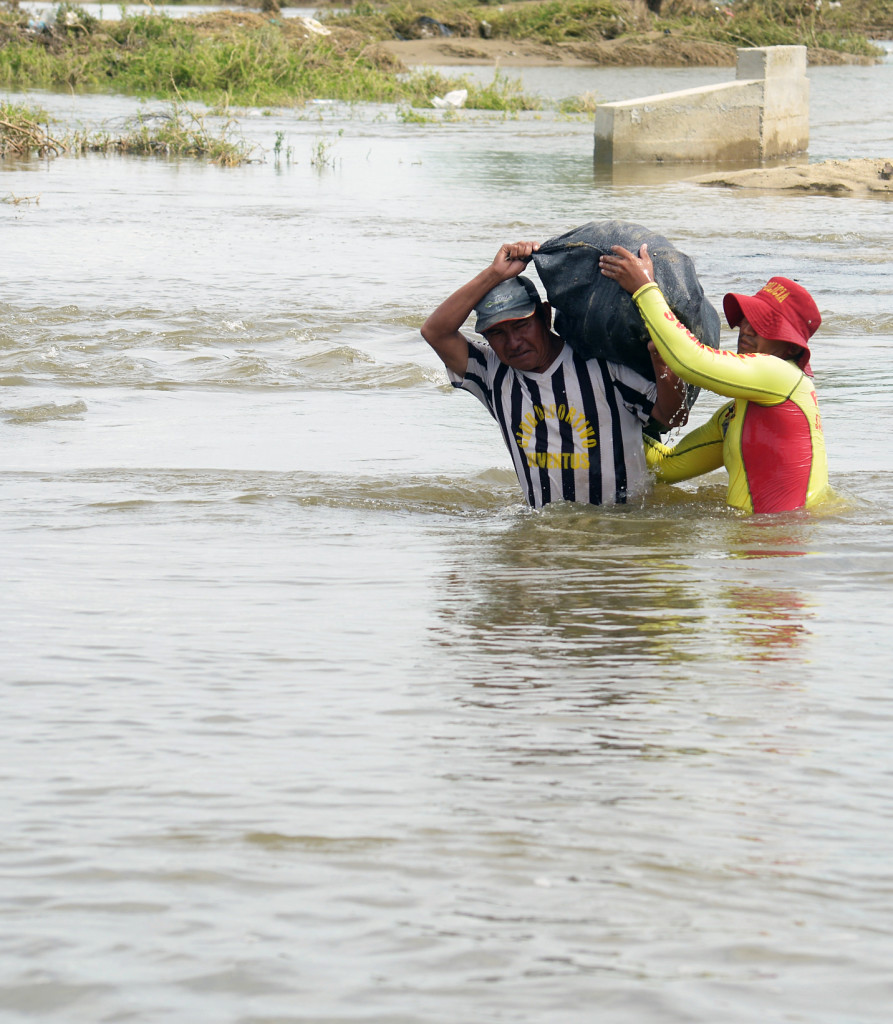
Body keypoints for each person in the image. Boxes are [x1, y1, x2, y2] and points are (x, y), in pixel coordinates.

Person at [420, 240, 687, 509]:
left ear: (545, 316)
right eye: (497, 333)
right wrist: (495, 273)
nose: (513, 343)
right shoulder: (493, 373)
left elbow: (673, 416)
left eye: (521, 325)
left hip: (621, 530)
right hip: (542, 539)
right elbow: (435, 332)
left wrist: (660, 356)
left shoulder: (600, 362)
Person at [598, 244, 829, 514]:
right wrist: (601, 415)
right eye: (747, 317)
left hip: (783, 544)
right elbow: (668, 465)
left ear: (791, 348)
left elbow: (691, 360)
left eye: (764, 324)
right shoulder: (733, 416)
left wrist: (644, 287)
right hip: (760, 542)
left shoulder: (782, 376)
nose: (746, 329)